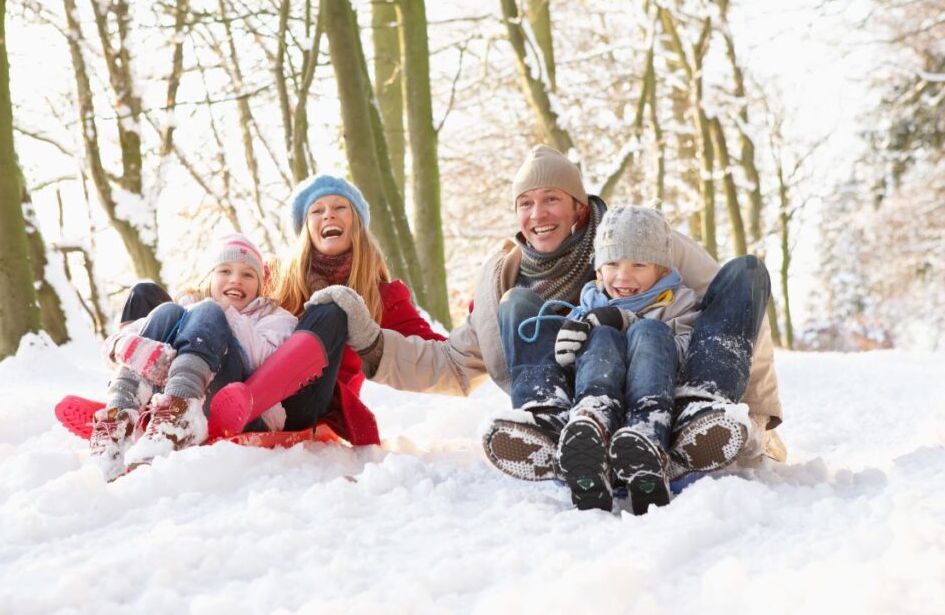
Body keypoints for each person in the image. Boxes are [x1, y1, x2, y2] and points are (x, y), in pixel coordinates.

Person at [334, 145, 784, 483]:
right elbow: (451, 365)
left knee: (745, 273)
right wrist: (372, 344)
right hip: (579, 402)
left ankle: (699, 413)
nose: (538, 213)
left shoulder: (638, 239)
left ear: (577, 208)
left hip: (665, 380)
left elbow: (735, 316)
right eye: (525, 203)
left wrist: (760, 416)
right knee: (520, 307)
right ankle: (550, 425)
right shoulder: (501, 277)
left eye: (551, 199)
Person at [206, 174, 446, 446]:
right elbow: (227, 299)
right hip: (243, 383)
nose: (328, 215)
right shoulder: (275, 275)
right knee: (150, 295)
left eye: (339, 207)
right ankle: (166, 403)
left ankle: (246, 403)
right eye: (317, 211)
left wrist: (483, 324)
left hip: (308, 403)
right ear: (306, 227)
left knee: (335, 305)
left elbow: (436, 354)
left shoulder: (382, 296)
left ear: (356, 221)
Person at [517, 205, 700, 514]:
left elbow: (685, 353)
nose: (623, 275)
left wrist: (626, 320)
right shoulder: (589, 305)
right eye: (612, 263)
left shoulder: (678, 303)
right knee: (600, 337)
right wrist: (570, 349)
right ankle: (590, 434)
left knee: (650, 331)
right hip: (602, 399)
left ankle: (646, 444)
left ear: (663, 271)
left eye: (639, 264)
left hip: (653, 404)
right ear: (598, 271)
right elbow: (574, 366)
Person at [90, 233, 298, 481]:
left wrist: (221, 313)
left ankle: (180, 416)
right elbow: (115, 345)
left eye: (248, 274)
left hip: (238, 399)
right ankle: (118, 423)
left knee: (206, 312)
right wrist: (124, 345)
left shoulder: (273, 316)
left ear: (260, 285)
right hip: (167, 395)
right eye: (225, 271)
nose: (236, 280)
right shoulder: (186, 306)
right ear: (209, 277)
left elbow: (266, 360)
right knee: (167, 312)